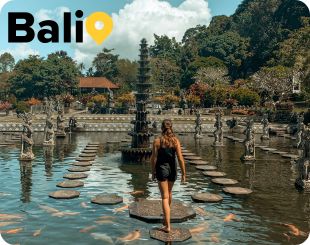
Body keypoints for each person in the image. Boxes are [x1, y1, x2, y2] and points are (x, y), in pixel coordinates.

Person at [150, 119, 186, 233]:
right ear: (171, 127)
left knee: (164, 197)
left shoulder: (157, 141)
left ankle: (167, 226)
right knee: (169, 194)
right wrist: (184, 174)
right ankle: (166, 218)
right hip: (173, 170)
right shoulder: (175, 141)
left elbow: (153, 159)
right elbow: (180, 158)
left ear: (161, 128)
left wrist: (153, 171)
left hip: (162, 170)